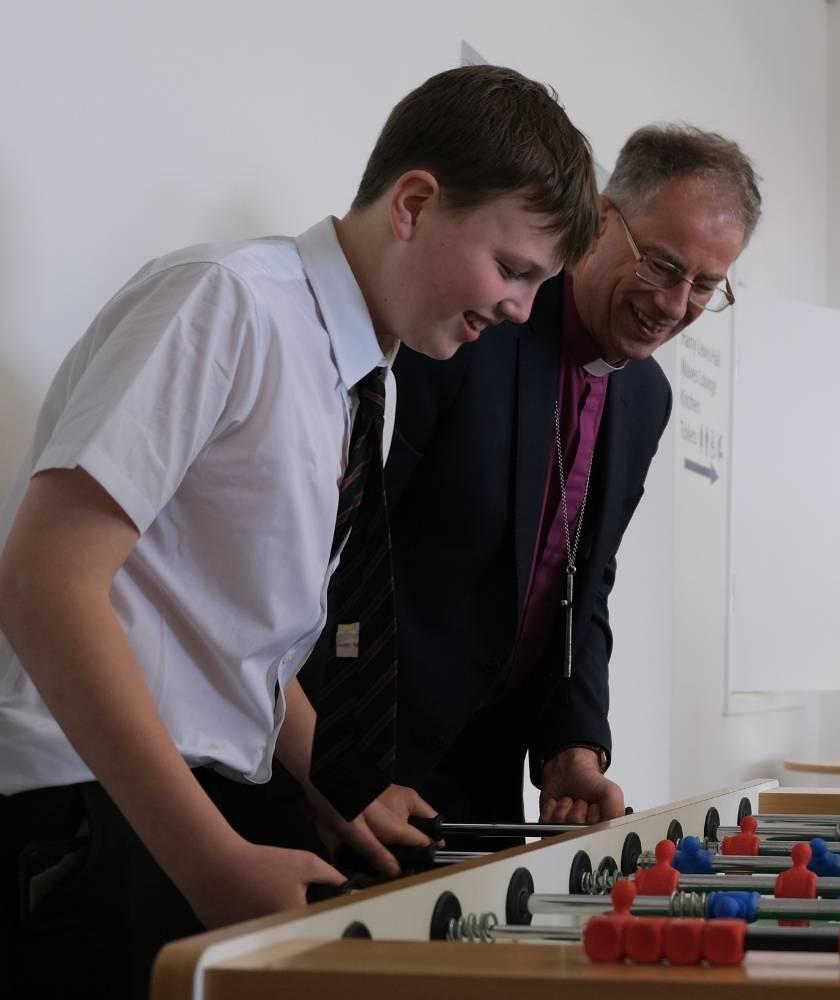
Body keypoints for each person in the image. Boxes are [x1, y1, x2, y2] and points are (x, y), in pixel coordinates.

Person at [0, 65, 598, 998]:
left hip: (198, 804)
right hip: (99, 805)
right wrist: (208, 858)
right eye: (514, 269)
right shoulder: (226, 300)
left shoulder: (375, 384)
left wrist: (340, 780)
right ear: (413, 203)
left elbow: (229, 637)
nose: (522, 308)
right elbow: (45, 583)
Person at [382, 124, 761, 842]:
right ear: (601, 220)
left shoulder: (646, 398)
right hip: (363, 761)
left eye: (706, 285)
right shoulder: (474, 323)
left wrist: (573, 746)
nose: (676, 305)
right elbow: (349, 545)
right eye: (661, 265)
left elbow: (584, 584)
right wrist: (342, 758)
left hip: (483, 779)